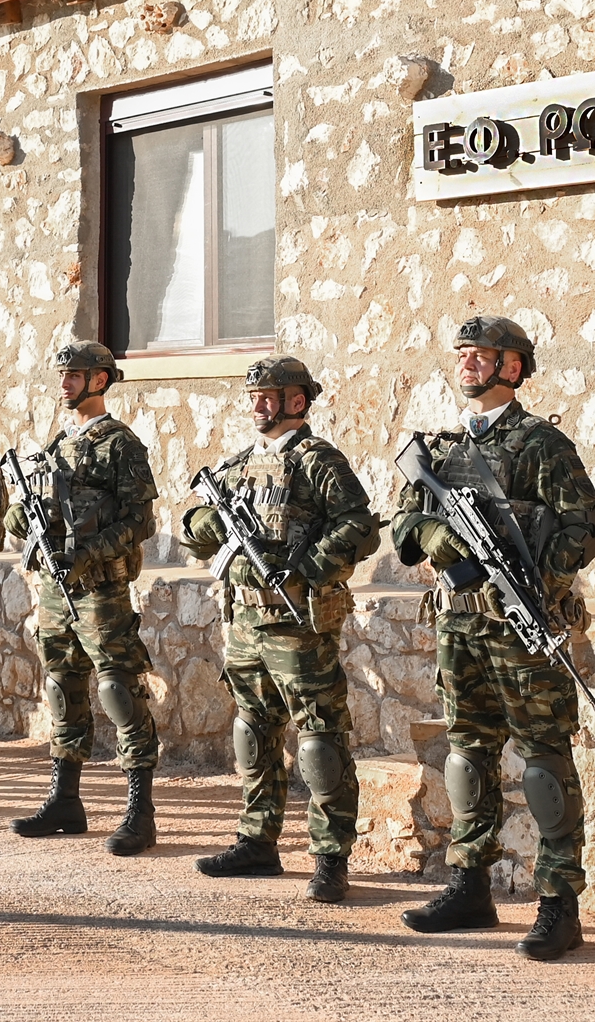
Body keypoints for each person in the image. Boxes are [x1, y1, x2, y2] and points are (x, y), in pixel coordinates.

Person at [392, 316, 595, 961]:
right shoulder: (441, 448)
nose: (467, 364)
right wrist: (437, 536)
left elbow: (586, 531)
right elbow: (403, 529)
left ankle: (558, 904)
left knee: (542, 760)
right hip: (458, 621)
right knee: (466, 752)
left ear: (513, 367)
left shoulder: (541, 444)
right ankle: (469, 884)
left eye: (480, 355)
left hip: (520, 623)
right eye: (461, 355)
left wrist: (537, 577)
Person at [179, 357, 380, 900]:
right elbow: (190, 528)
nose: (258, 403)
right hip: (243, 620)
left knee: (318, 739)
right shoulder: (240, 465)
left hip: (297, 625)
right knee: (253, 730)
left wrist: (309, 566)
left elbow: (359, 528)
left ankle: (330, 857)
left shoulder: (319, 461)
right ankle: (257, 838)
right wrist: (217, 520)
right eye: (254, 395)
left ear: (298, 401)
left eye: (270, 395)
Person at [4, 342, 164, 854]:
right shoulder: (55, 445)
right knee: (61, 687)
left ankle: (140, 811)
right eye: (62, 374)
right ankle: (65, 800)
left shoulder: (120, 445)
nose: (65, 383)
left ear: (100, 381)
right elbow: (23, 517)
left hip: (100, 590)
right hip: (54, 589)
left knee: (118, 692)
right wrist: (24, 518)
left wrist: (89, 551)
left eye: (74, 375)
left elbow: (141, 520)